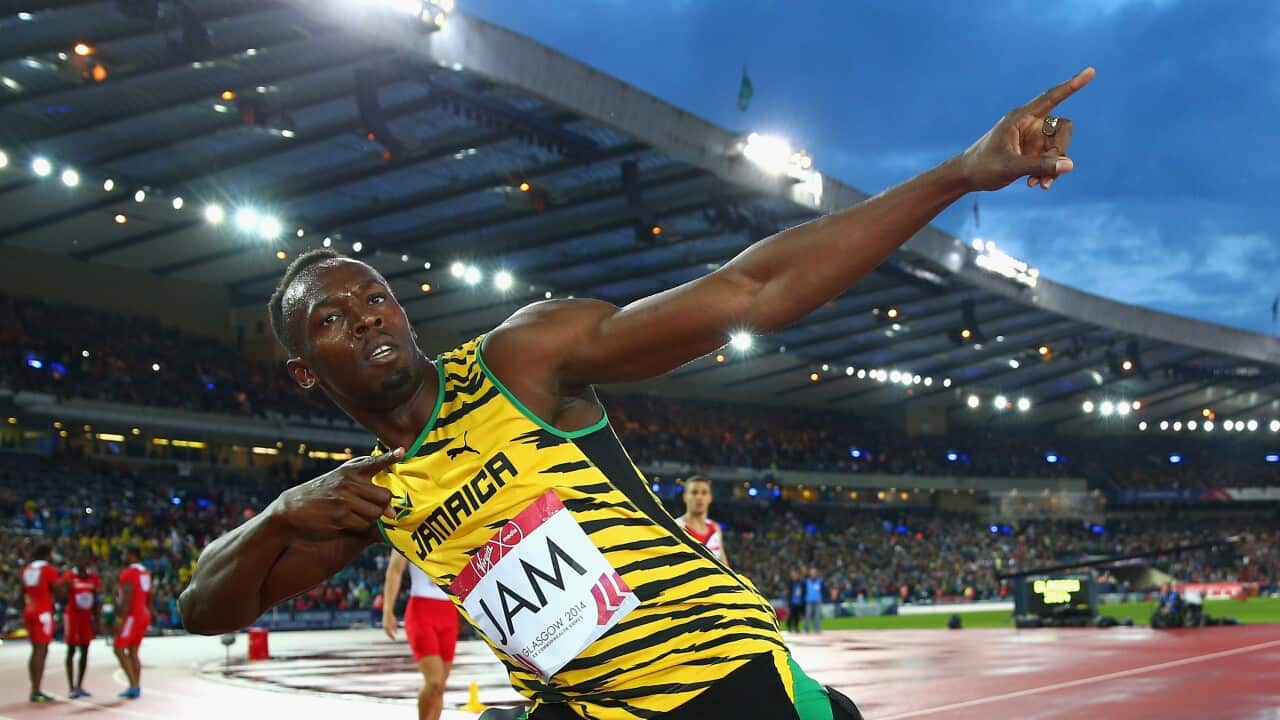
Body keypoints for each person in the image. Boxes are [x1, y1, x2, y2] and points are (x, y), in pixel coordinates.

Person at [179, 67, 1092, 720]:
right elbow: (205, 610)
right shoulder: (368, 499)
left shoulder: (519, 362)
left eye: (375, 295)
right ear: (304, 368)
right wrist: (278, 518)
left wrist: (955, 177)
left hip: (719, 687)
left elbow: (749, 291)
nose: (368, 316)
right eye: (334, 319)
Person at [383, 550, 459, 720]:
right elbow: (395, 571)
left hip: (448, 612)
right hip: (421, 611)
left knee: (440, 686)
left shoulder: (455, 532)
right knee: (434, 681)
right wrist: (388, 610)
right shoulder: (407, 533)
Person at [22, 544, 62, 703]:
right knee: (41, 650)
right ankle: (36, 690)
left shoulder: (27, 569)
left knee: (35, 650)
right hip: (43, 612)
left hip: (30, 609)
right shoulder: (48, 570)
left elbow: (22, 591)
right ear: (47, 555)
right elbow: (57, 590)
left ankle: (34, 688)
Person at [63, 554, 103, 698]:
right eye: (80, 559)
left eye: (86, 560)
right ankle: (71, 687)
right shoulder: (69, 576)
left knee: (85, 650)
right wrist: (65, 588)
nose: (83, 562)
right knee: (71, 649)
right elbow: (61, 595)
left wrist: (98, 620)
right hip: (73, 616)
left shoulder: (93, 577)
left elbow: (97, 599)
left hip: (86, 618)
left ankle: (79, 685)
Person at [113, 547, 152, 699]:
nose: (123, 556)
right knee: (134, 651)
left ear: (132, 555)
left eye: (125, 553)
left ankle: (133, 685)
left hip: (131, 615)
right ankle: (136, 685)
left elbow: (127, 598)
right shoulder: (145, 573)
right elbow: (150, 594)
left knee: (118, 648)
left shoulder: (128, 573)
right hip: (143, 613)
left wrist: (119, 620)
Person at [675, 476, 729, 566]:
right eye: (694, 492)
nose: (699, 497)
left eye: (704, 493)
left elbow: (725, 566)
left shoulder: (715, 528)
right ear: (685, 497)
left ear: (710, 498)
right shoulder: (676, 527)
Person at [803, 568, 824, 633]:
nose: (813, 574)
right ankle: (806, 628)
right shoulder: (807, 581)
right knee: (808, 615)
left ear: (816, 574)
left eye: (814, 573)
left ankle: (817, 628)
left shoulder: (820, 581)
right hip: (809, 601)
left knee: (817, 616)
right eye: (812, 573)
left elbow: (823, 590)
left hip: (817, 600)